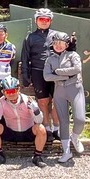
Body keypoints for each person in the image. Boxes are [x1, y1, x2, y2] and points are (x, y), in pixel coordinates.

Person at [20, 8, 71, 140]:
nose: (44, 22)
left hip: (56, 72)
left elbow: (68, 52)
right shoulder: (30, 37)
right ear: (36, 20)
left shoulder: (57, 35)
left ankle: (56, 128)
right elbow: (25, 58)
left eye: (46, 19)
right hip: (38, 71)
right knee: (42, 102)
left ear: (51, 21)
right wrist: (26, 76)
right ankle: (46, 128)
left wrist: (73, 45)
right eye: (41, 19)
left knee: (57, 101)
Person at [43, 31, 86, 163]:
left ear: (67, 44)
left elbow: (77, 69)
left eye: (62, 43)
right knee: (63, 122)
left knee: (80, 119)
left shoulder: (73, 55)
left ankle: (75, 137)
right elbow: (47, 76)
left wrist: (58, 71)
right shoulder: (50, 59)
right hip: (59, 90)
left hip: (75, 88)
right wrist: (65, 76)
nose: (59, 46)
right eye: (56, 43)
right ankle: (66, 152)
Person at [0, 76, 47, 168]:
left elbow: (39, 121)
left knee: (41, 128)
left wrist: (36, 110)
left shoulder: (27, 100)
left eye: (13, 91)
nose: (11, 94)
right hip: (11, 132)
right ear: (3, 92)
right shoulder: (1, 101)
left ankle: (37, 157)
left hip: (28, 132)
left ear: (18, 89)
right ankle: (0, 156)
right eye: (8, 92)